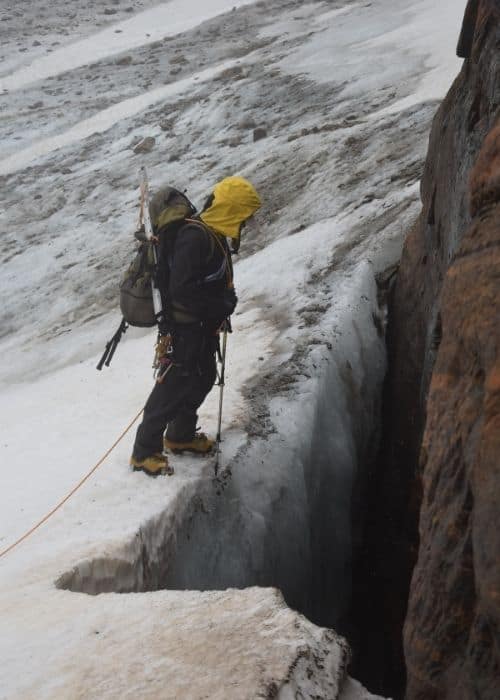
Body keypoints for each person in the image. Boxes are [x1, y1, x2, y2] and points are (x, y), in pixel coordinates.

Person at [130, 176, 261, 476]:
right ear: (232, 211)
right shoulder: (195, 237)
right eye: (244, 216)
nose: (247, 223)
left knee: (202, 378)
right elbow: (182, 290)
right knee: (173, 386)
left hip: (200, 328)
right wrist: (222, 305)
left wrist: (220, 305)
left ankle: (180, 436)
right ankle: (143, 452)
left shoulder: (210, 234)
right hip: (184, 329)